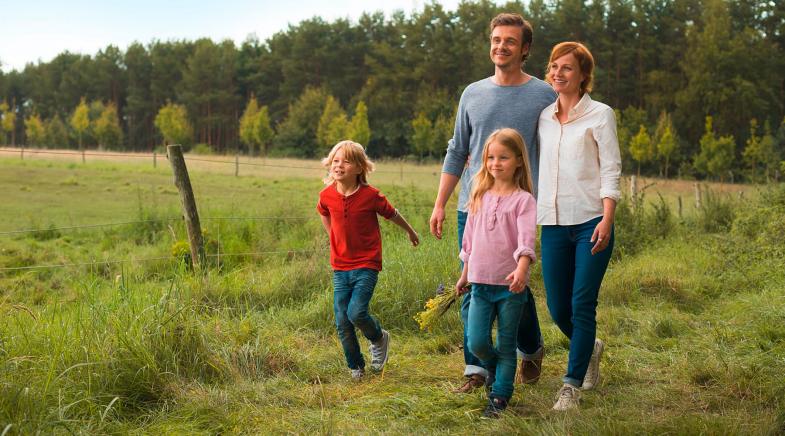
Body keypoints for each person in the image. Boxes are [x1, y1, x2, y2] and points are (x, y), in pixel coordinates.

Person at [429, 12, 556, 393]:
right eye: (496, 40)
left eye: (510, 41)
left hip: (518, 209)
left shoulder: (543, 95)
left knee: (515, 283)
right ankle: (476, 370)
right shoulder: (473, 93)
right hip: (474, 207)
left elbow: (555, 148)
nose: (501, 46)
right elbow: (457, 151)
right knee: (472, 284)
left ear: (525, 49)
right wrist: (441, 204)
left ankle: (530, 349)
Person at [537, 41, 621, 410]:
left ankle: (569, 386)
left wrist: (607, 217)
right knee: (558, 308)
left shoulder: (601, 115)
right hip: (553, 223)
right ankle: (590, 347)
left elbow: (610, 168)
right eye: (554, 66)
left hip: (591, 221)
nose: (557, 73)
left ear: (583, 75)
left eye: (567, 68)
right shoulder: (543, 117)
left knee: (581, 303)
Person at [317, 140, 420, 380]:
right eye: (335, 160)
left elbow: (392, 213)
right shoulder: (326, 196)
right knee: (342, 320)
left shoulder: (370, 196)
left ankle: (378, 337)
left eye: (346, 161)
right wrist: (333, 237)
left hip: (366, 263)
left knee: (356, 312)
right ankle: (356, 367)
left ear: (359, 168)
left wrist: (410, 231)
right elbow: (323, 212)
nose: (339, 165)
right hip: (340, 266)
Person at [456, 128, 537, 418]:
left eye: (503, 157)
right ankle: (493, 369)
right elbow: (470, 240)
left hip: (510, 287)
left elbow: (527, 241)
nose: (495, 163)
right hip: (479, 283)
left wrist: (521, 270)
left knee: (506, 343)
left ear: (518, 160)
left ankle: (500, 397)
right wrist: (465, 273)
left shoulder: (523, 200)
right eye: (490, 157)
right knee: (476, 341)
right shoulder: (480, 195)